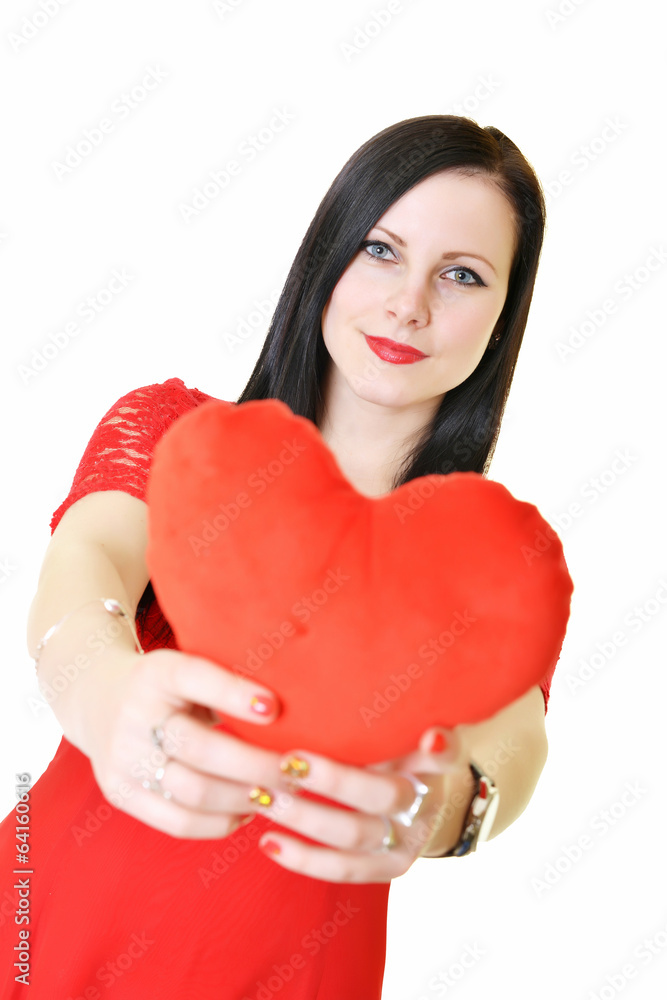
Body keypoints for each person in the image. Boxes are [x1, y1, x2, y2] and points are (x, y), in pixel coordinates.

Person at [0, 114, 554, 998]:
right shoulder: (176, 432)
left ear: (502, 316)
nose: (408, 302)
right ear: (325, 258)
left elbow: (512, 739)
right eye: (380, 250)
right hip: (40, 936)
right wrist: (106, 696)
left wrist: (447, 809)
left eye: (460, 274)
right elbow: (86, 565)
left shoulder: (488, 555)